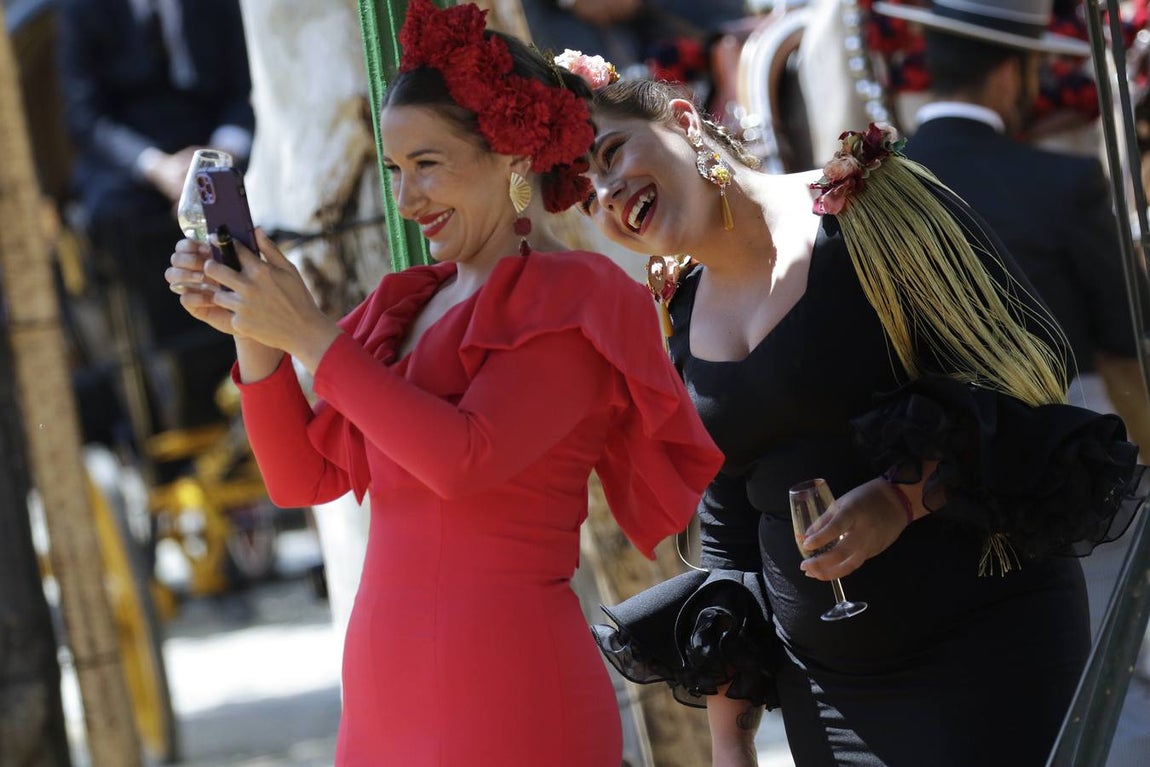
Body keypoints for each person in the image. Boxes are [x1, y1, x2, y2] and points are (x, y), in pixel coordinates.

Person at [164, 1, 723, 764]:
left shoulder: (575, 298)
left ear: (511, 155)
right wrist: (252, 324)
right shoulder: (405, 302)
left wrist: (307, 334)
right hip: (381, 693)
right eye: (397, 170)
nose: (406, 198)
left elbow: (466, 459)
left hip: (508, 691)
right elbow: (300, 476)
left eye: (428, 165)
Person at [574, 72, 1147, 766]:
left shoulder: (870, 204)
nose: (605, 192)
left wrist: (904, 496)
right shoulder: (683, 309)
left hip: (983, 656)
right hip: (826, 695)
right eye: (584, 190)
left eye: (610, 154)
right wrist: (731, 740)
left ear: (685, 120)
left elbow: (1024, 371)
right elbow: (728, 522)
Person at [874, 0, 1150, 451]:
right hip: (1060, 452)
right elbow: (1129, 329)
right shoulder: (1065, 182)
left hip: (921, 462)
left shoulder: (873, 186)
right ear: (1008, 76)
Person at [59, 0, 255, 443]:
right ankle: (171, 402)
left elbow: (239, 94)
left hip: (212, 156)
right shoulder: (81, 12)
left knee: (258, 212)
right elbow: (86, 119)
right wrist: (161, 170)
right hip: (131, 169)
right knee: (117, 221)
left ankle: (258, 358)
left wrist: (215, 163)